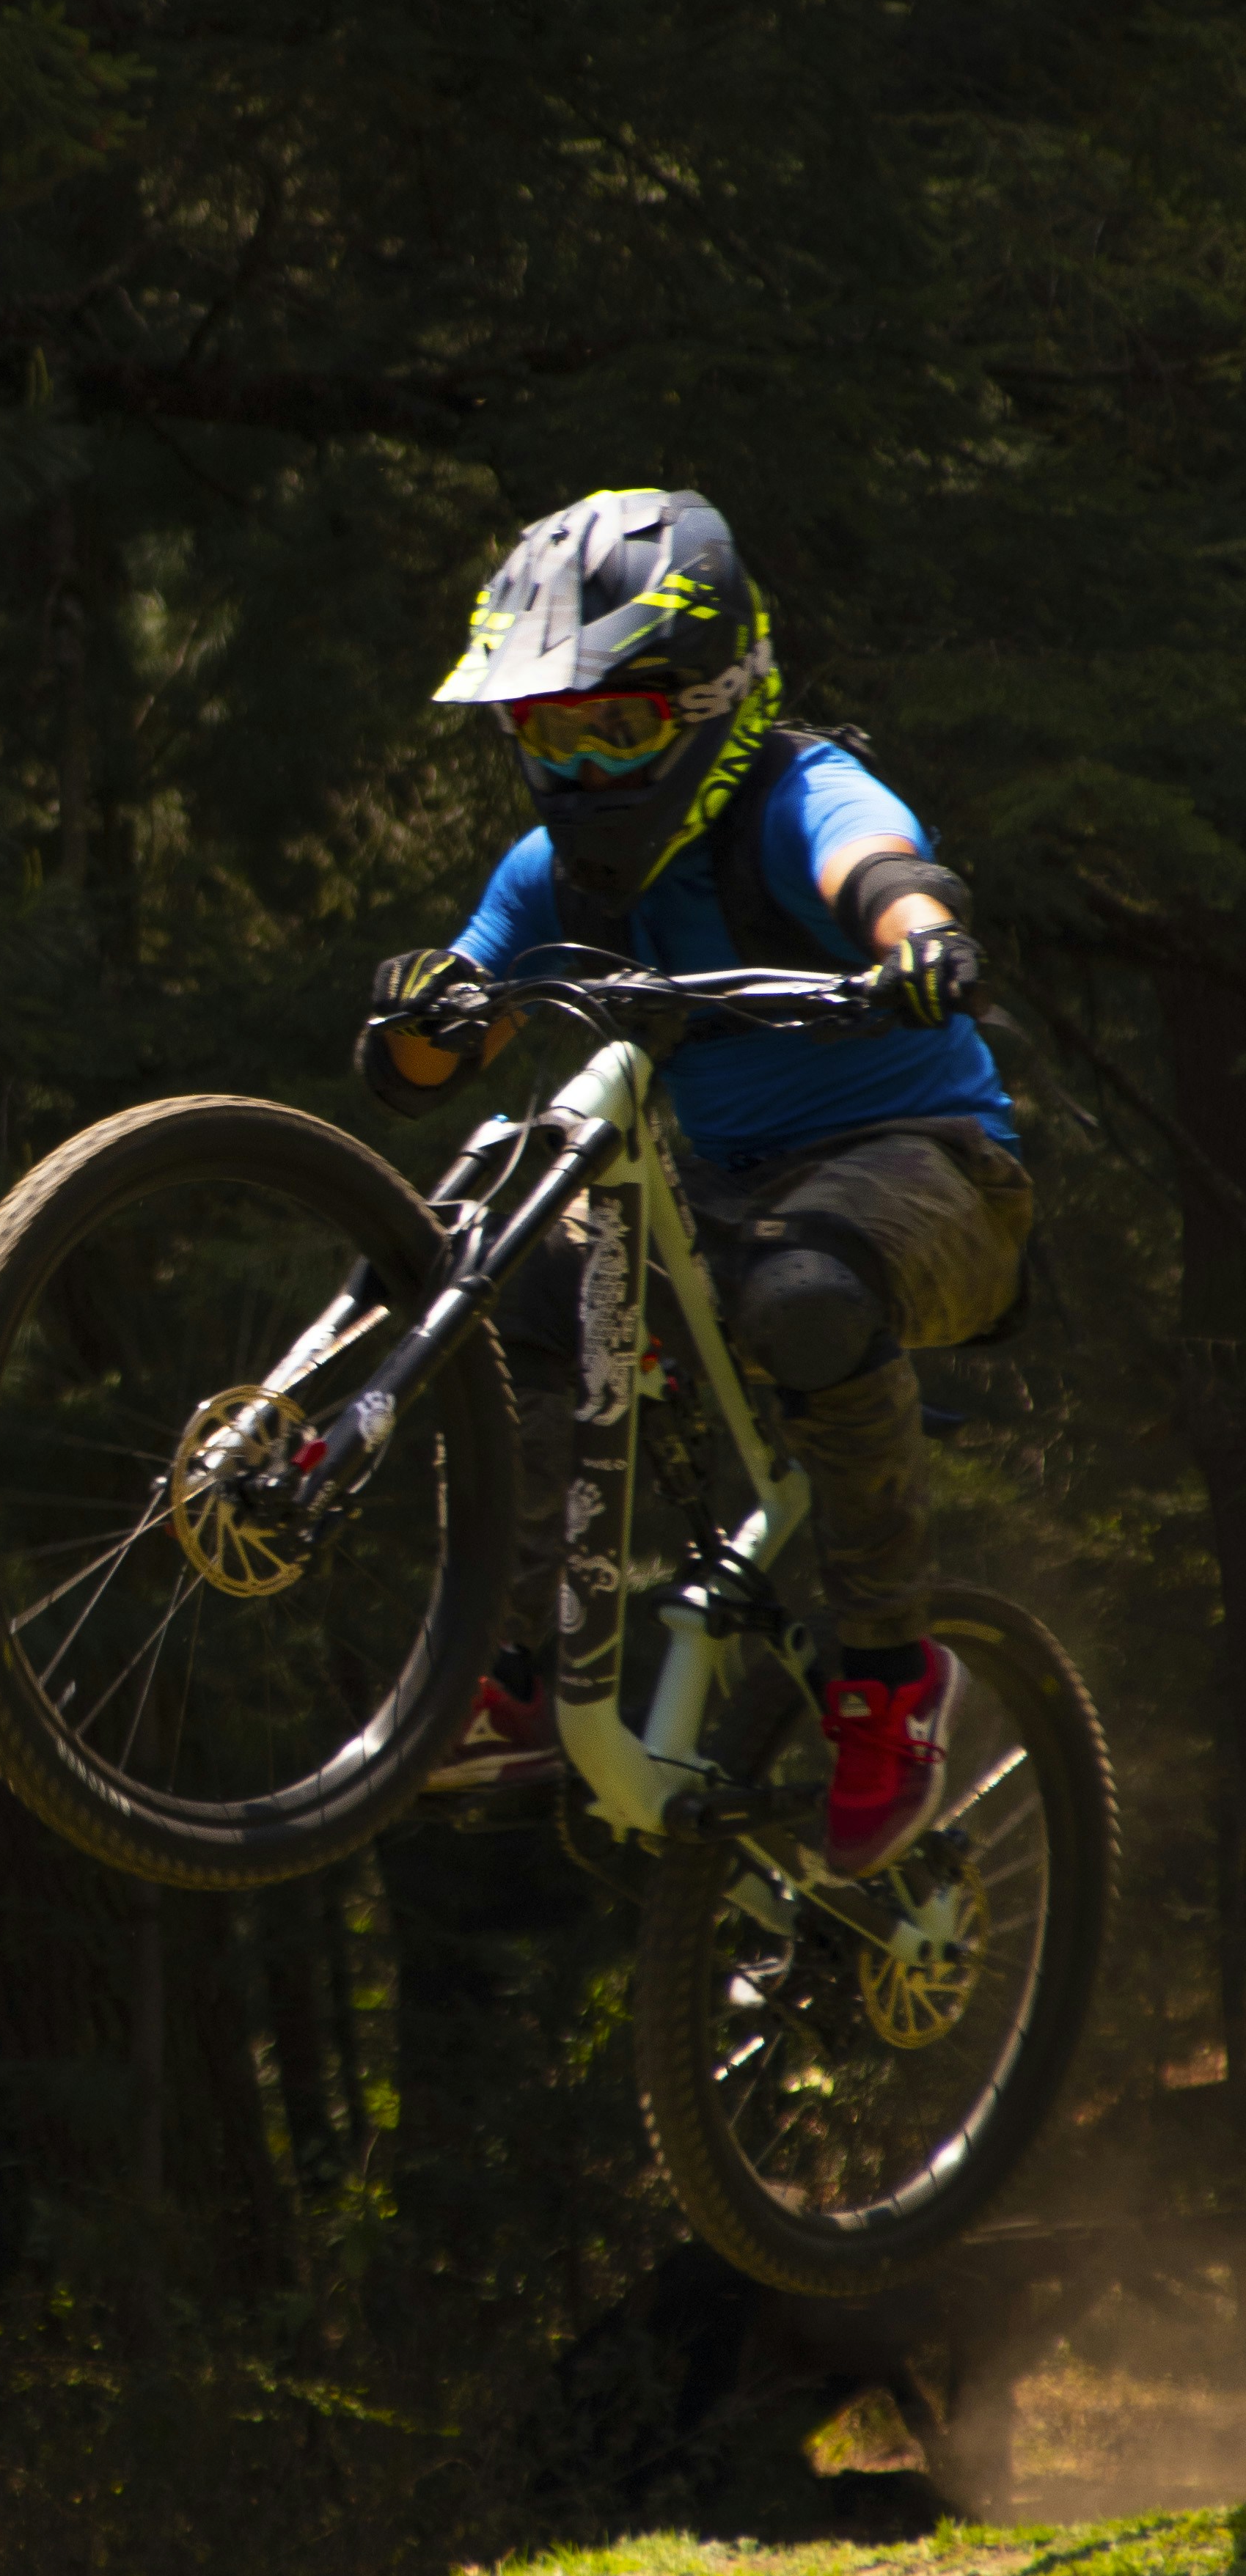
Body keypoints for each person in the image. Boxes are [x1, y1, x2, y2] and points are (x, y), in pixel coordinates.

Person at [357, 485, 1027, 1879]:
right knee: (512, 1293)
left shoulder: (800, 794)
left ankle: (891, 1676)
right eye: (552, 732)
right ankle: (519, 1673)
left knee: (805, 1291)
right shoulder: (551, 873)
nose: (588, 771)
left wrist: (917, 938)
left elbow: (884, 868)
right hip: (714, 1200)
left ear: (720, 699)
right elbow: (438, 1058)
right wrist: (427, 1018)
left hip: (932, 1174)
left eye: (622, 726)